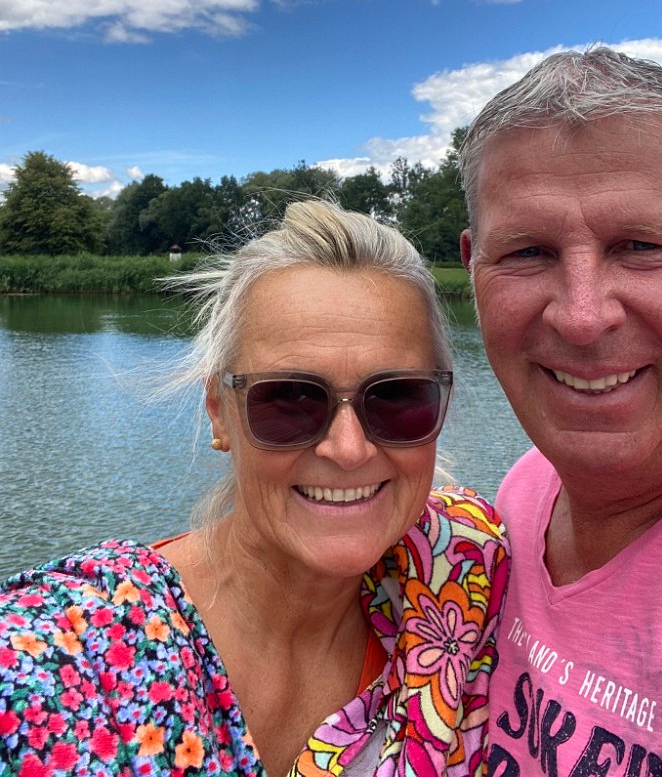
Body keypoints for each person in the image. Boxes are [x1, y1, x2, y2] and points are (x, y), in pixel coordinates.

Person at [0, 201, 510, 776]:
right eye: (289, 398)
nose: (348, 449)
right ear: (219, 410)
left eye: (396, 396)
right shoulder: (61, 656)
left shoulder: (464, 567)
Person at [458, 47, 662, 776]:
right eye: (528, 253)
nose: (583, 317)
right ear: (472, 268)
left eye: (640, 246)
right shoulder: (525, 491)